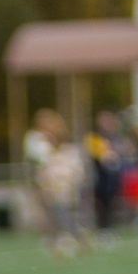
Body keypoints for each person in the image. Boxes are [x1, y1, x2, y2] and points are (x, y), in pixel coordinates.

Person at [25, 108, 87, 258]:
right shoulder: (36, 139)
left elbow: (73, 168)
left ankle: (70, 238)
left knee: (63, 212)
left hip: (62, 186)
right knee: (48, 214)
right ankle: (53, 240)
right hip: (45, 184)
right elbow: (38, 158)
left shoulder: (66, 148)